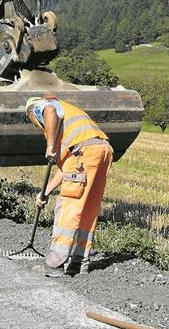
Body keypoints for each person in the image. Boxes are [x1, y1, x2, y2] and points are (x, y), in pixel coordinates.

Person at [24, 95, 114, 277]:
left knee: (68, 206)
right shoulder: (67, 115)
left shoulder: (41, 106)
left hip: (82, 153)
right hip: (101, 151)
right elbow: (66, 170)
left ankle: (55, 264)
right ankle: (79, 263)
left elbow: (48, 111)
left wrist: (49, 146)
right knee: (88, 208)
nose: (36, 124)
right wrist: (45, 192)